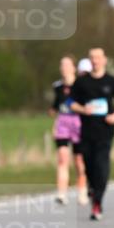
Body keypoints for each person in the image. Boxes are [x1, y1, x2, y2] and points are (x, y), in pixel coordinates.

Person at [68, 47, 114, 220]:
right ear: (89, 60)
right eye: (92, 58)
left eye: (98, 58)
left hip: (106, 130)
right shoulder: (82, 82)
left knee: (101, 166)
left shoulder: (112, 81)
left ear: (104, 60)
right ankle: (92, 188)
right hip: (87, 130)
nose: (95, 61)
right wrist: (82, 109)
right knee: (88, 164)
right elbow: (70, 102)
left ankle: (97, 202)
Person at [50, 55, 88, 205]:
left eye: (67, 65)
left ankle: (82, 190)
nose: (64, 68)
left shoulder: (81, 85)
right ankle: (62, 193)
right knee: (62, 158)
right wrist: (54, 117)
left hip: (78, 123)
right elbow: (55, 107)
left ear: (73, 68)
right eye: (62, 65)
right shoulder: (58, 86)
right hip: (63, 123)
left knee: (78, 160)